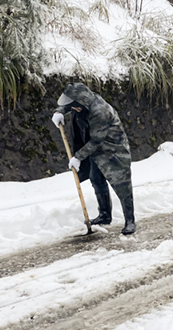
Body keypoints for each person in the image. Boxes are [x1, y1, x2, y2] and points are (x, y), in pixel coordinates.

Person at [51, 83, 136, 235]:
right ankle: (105, 215)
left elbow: (97, 140)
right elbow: (71, 104)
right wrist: (60, 111)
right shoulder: (83, 101)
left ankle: (130, 220)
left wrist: (78, 157)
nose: (75, 109)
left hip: (113, 149)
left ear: (81, 103)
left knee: (121, 183)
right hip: (96, 151)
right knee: (96, 178)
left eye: (75, 107)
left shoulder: (100, 111)